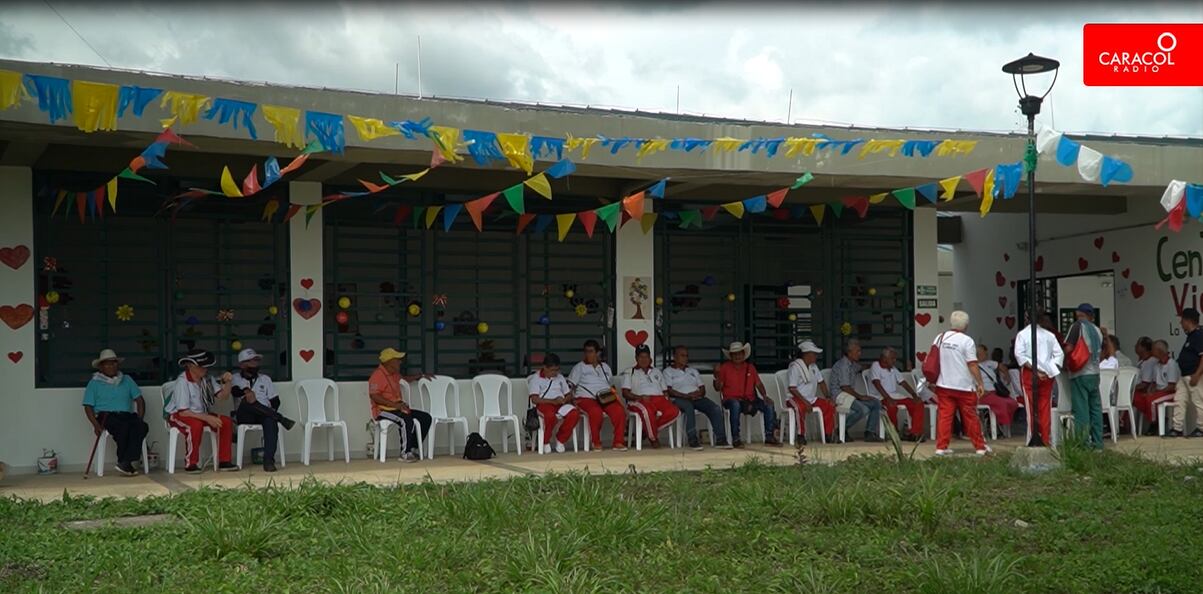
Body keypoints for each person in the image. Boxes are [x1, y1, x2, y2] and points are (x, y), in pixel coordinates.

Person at [165, 349, 239, 473]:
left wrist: (228, 383)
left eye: (206, 366)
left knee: (225, 422)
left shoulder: (207, 379)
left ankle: (224, 461)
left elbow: (223, 396)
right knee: (195, 425)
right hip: (178, 414)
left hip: (200, 414)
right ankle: (191, 463)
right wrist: (208, 418)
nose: (205, 369)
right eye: (201, 366)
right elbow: (183, 411)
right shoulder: (182, 382)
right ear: (191, 366)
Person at [82, 349, 149, 476]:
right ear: (101, 367)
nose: (111, 366)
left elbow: (140, 400)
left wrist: (140, 418)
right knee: (123, 427)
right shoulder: (94, 383)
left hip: (126, 414)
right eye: (107, 364)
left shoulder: (126, 379)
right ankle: (125, 462)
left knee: (141, 426)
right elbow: (88, 406)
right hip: (106, 415)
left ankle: (125, 462)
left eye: (113, 363)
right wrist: (96, 425)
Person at [932, 311, 989, 455]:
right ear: (966, 325)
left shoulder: (940, 337)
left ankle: (941, 447)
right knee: (970, 416)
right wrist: (980, 383)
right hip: (964, 386)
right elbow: (972, 364)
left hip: (944, 384)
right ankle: (980, 447)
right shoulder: (967, 341)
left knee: (945, 417)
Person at [230, 348, 295, 472]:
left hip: (263, 414)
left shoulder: (265, 379)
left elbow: (275, 401)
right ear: (242, 365)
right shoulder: (235, 378)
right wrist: (246, 391)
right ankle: (280, 418)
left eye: (256, 361)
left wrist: (268, 411)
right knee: (247, 400)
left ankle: (268, 461)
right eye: (251, 362)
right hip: (244, 415)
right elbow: (235, 391)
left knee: (270, 421)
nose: (255, 365)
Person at [367, 348, 433, 461]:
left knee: (425, 418)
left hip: (397, 408)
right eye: (397, 360)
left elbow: (405, 379)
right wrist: (396, 405)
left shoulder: (394, 374)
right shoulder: (377, 375)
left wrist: (420, 376)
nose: (400, 362)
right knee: (405, 419)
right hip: (382, 411)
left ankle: (412, 447)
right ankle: (405, 453)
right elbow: (375, 396)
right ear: (389, 362)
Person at [713, 341, 782, 447]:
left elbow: (759, 384)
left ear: (744, 354)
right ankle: (736, 438)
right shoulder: (725, 368)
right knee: (735, 405)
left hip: (750, 400)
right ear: (731, 356)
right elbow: (718, 388)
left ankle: (769, 437)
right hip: (731, 400)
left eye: (739, 353)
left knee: (769, 405)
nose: (737, 356)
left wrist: (764, 396)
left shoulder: (750, 367)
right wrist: (717, 376)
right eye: (735, 354)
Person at [664, 345, 729, 450]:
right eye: (682, 355)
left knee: (715, 408)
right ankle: (693, 439)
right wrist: (685, 395)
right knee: (689, 407)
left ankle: (721, 439)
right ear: (675, 357)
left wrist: (697, 394)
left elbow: (702, 389)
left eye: (686, 356)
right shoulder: (668, 371)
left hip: (696, 398)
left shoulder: (693, 371)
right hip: (678, 399)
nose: (685, 358)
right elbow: (669, 390)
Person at [1014, 312, 1064, 448]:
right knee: (1044, 408)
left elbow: (1020, 357)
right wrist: (1049, 369)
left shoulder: (1022, 335)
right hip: (1047, 375)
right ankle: (1045, 439)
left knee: (1030, 409)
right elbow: (1059, 354)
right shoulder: (1050, 335)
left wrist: (1036, 370)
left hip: (1030, 374)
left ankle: (1032, 439)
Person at [567, 340, 627, 451]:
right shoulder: (579, 367)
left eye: (590, 351)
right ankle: (596, 442)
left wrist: (617, 398)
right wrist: (571, 400)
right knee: (595, 412)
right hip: (585, 398)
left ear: (598, 353)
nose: (587, 354)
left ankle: (618, 442)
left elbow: (610, 385)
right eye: (586, 352)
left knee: (619, 411)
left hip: (605, 397)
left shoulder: (605, 367)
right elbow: (570, 386)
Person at [622, 345, 679, 448]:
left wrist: (667, 400)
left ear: (650, 359)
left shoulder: (657, 371)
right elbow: (625, 393)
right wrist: (640, 397)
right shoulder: (630, 372)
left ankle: (646, 430)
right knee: (646, 411)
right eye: (641, 357)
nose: (644, 359)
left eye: (646, 357)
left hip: (659, 399)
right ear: (636, 358)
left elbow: (665, 391)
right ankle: (653, 438)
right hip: (639, 400)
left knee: (675, 411)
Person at [1064, 303, 1105, 449]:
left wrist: (1062, 362)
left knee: (1081, 410)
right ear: (1092, 316)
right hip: (1094, 374)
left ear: (1078, 314)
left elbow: (1069, 347)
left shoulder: (1077, 326)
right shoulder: (1097, 331)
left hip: (1080, 373)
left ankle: (1083, 444)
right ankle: (1098, 443)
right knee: (1095, 409)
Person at [785, 341, 837, 445]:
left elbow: (821, 382)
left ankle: (828, 435)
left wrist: (827, 396)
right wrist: (804, 401)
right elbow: (792, 388)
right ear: (806, 354)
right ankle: (801, 435)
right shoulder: (795, 367)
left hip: (811, 398)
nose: (816, 356)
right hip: (795, 398)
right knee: (799, 408)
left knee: (829, 406)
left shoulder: (814, 367)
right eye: (814, 354)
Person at [869, 347, 926, 442]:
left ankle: (915, 433)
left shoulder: (893, 369)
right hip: (880, 397)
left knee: (918, 403)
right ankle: (894, 432)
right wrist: (888, 398)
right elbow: (876, 383)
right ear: (884, 358)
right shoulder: (876, 366)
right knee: (892, 407)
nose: (894, 361)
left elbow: (903, 382)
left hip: (895, 396)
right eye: (892, 358)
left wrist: (914, 395)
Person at [527, 353, 579, 453]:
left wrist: (564, 399)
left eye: (557, 370)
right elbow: (534, 399)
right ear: (544, 367)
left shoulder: (560, 377)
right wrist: (553, 401)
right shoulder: (536, 378)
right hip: (545, 404)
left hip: (560, 404)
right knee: (550, 416)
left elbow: (568, 394)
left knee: (574, 413)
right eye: (552, 370)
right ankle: (546, 441)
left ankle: (561, 439)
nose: (555, 373)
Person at [830, 339, 881, 443]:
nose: (860, 353)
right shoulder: (843, 365)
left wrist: (875, 366)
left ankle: (869, 433)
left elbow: (862, 367)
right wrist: (861, 397)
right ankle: (840, 430)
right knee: (863, 409)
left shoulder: (852, 364)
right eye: (857, 351)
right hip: (840, 395)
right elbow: (845, 387)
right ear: (849, 352)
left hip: (849, 395)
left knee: (876, 403)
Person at [1168, 308, 1203, 438]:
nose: (1180, 324)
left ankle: (1202, 428)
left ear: (1188, 321)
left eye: (1182, 320)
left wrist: (1197, 374)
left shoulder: (1199, 335)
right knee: (1179, 400)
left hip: (1195, 375)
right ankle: (1177, 428)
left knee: (1199, 401)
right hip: (1185, 375)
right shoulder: (1191, 336)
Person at [1134, 340, 1178, 435]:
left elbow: (1171, 386)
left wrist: (1155, 393)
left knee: (1152, 400)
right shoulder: (1156, 365)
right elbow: (1154, 383)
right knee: (1140, 398)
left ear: (1159, 351)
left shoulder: (1171, 364)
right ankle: (1157, 418)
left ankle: (1154, 424)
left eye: (1153, 350)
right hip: (1159, 391)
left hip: (1170, 392)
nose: (1151, 352)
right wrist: (1150, 391)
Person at [977, 345, 1020, 439]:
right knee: (1002, 404)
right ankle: (997, 428)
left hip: (995, 391)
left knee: (1012, 402)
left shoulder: (989, 363)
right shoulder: (972, 366)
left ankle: (1002, 426)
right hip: (984, 394)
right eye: (983, 353)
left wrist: (1007, 375)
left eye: (985, 353)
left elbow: (1002, 366)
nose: (985, 355)